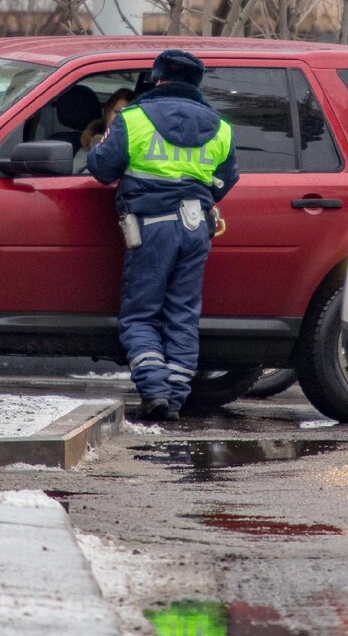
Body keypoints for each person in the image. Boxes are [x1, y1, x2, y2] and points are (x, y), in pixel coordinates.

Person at [86, 50, 239, 421]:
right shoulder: (221, 127)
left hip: (150, 228)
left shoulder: (134, 118)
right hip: (196, 227)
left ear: (158, 79)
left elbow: (102, 171)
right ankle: (175, 396)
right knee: (183, 314)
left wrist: (94, 145)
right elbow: (226, 180)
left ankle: (155, 391)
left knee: (140, 315)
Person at [73, 88, 135, 173]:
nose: (121, 118)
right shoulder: (89, 145)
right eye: (117, 111)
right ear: (107, 112)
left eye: (129, 114)